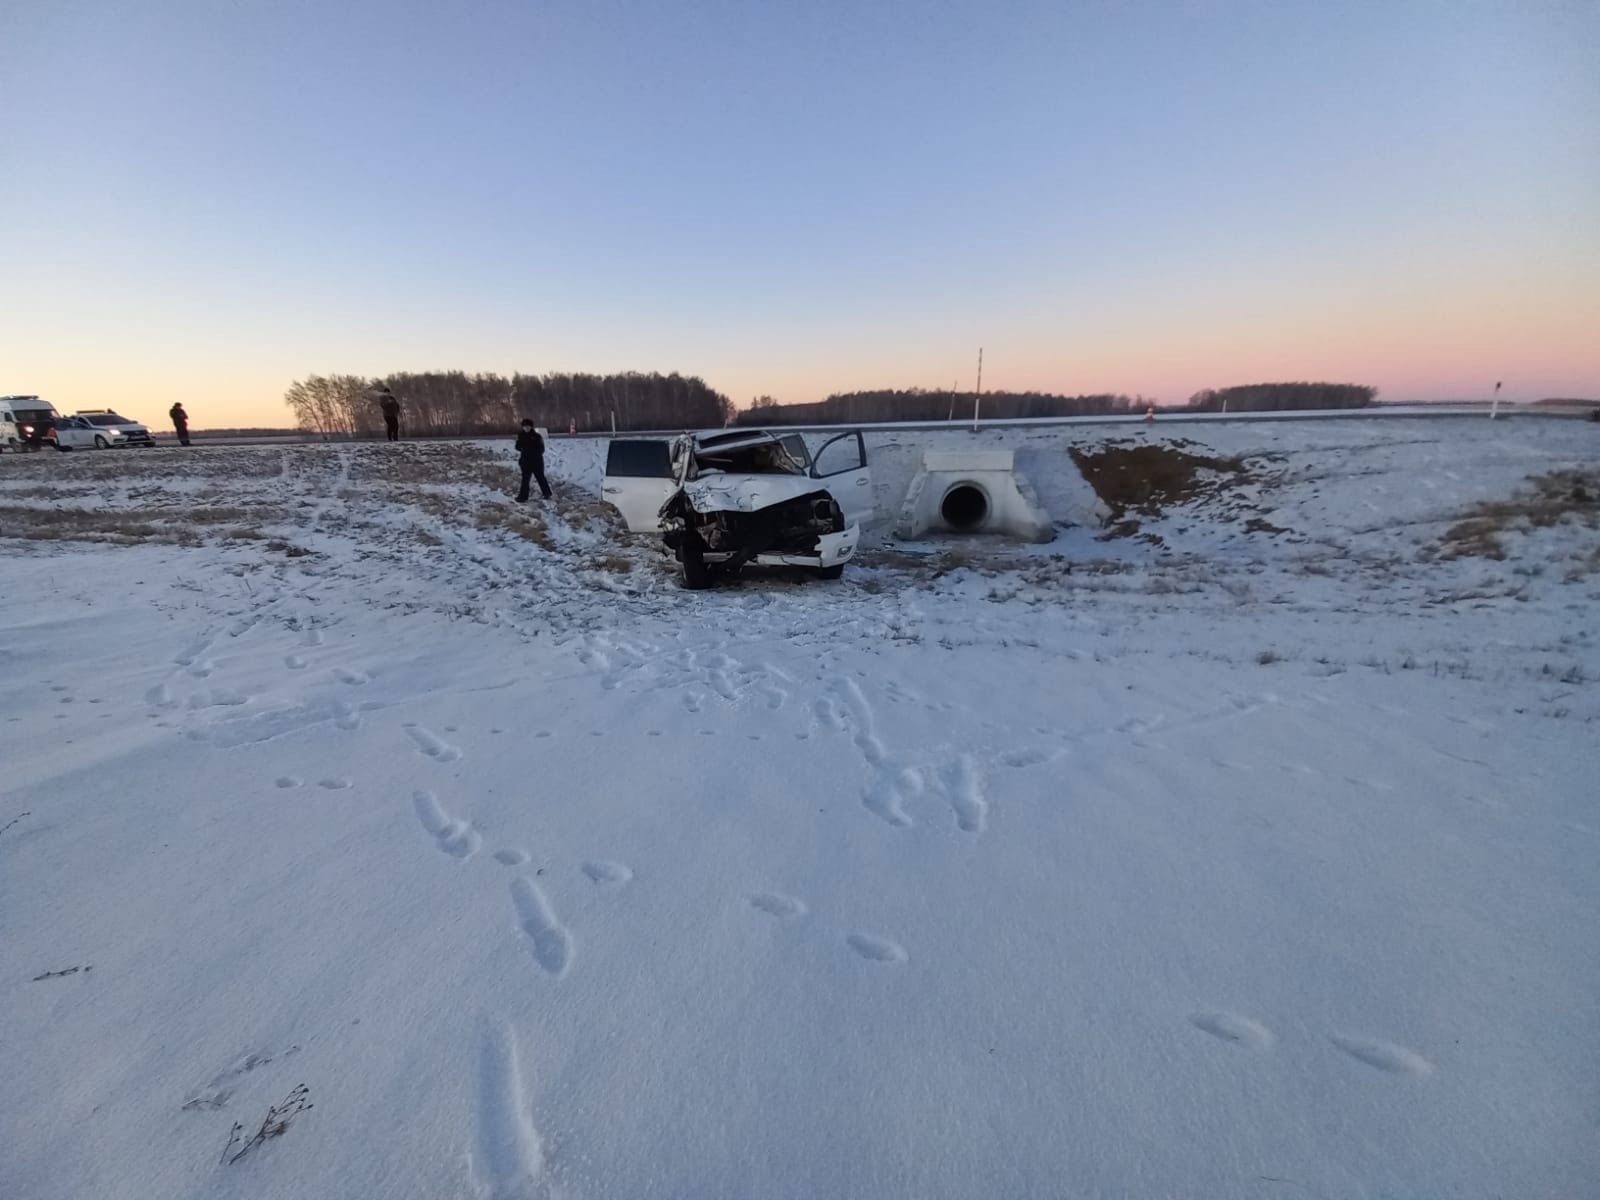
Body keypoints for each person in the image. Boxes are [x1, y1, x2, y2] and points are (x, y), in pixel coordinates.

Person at [515, 419, 552, 502]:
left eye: (528, 426)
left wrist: (532, 452)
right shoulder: (521, 435)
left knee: (540, 477)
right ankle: (522, 497)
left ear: (531, 427)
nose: (526, 428)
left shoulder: (537, 436)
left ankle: (547, 493)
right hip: (525, 461)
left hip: (536, 461)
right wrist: (522, 449)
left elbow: (541, 449)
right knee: (525, 480)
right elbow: (517, 446)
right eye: (524, 427)